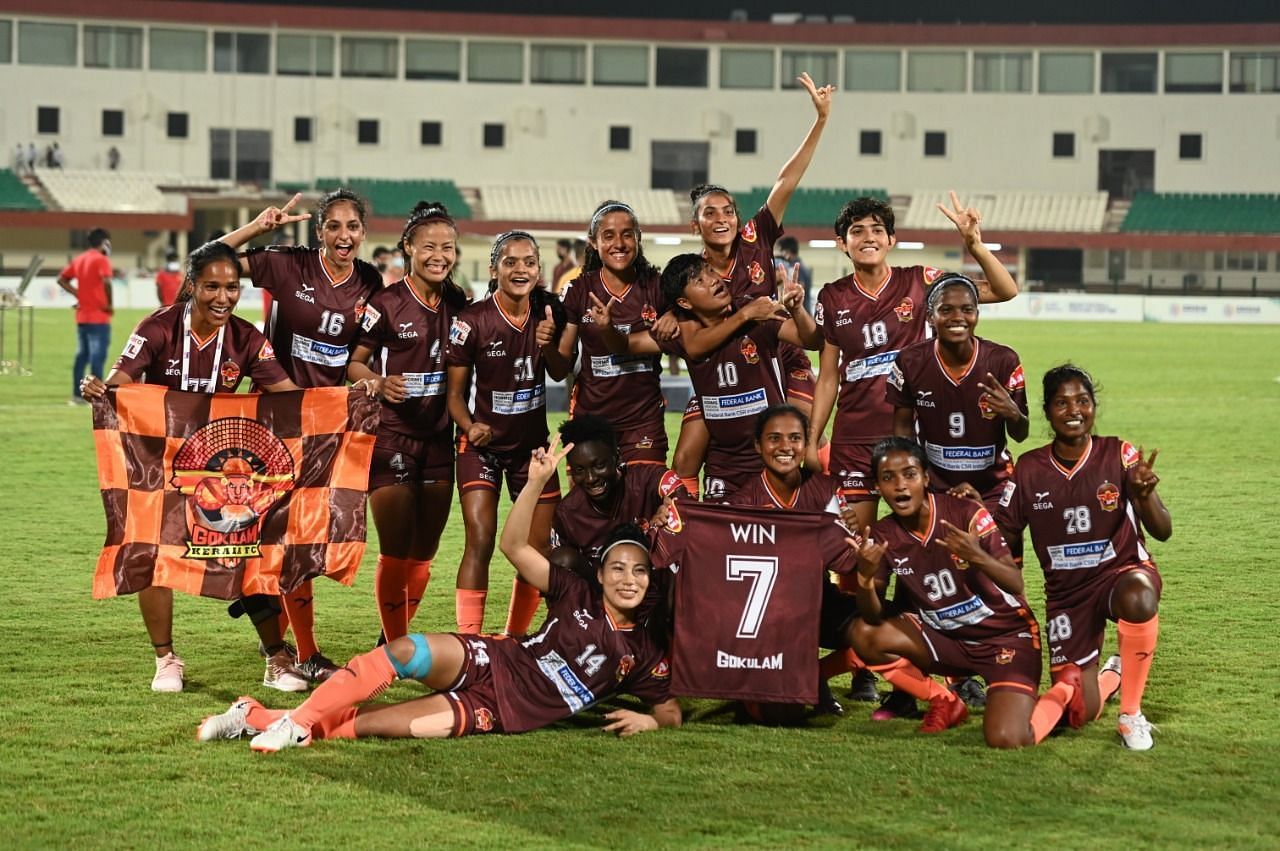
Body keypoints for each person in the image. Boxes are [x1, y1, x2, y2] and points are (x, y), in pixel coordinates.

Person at [198, 437, 680, 750]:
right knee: (405, 651)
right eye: (617, 568)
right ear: (600, 575)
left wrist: (652, 723)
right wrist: (534, 483)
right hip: (498, 660)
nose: (628, 579)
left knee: (374, 724)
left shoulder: (642, 650)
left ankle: (258, 716)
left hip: (500, 710)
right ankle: (295, 723)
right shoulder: (576, 591)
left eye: (638, 572)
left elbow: (669, 710)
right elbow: (513, 546)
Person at [80, 241, 303, 693]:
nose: (223, 297)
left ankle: (276, 657)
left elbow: (289, 396)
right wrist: (99, 390)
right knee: (154, 553)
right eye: (212, 287)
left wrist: (348, 403)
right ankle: (166, 659)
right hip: (157, 466)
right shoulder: (158, 327)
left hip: (218, 467)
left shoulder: (247, 339)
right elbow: (120, 385)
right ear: (192, 287)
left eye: (231, 288)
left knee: (246, 548)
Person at [220, 189, 383, 683]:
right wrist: (255, 228)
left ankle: (271, 617)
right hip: (274, 420)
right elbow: (207, 266)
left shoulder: (370, 282)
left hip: (327, 426)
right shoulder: (289, 266)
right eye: (333, 226)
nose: (344, 235)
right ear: (319, 232)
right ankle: (294, 649)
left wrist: (367, 378)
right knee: (275, 538)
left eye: (352, 226)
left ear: (362, 232)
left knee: (303, 539)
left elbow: (362, 353)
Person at [849, 438, 1086, 748]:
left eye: (909, 474)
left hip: (1004, 639)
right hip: (946, 641)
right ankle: (945, 701)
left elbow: (1015, 583)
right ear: (878, 486)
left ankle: (1065, 690)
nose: (900, 486)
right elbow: (872, 615)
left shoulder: (965, 513)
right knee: (863, 633)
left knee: (1007, 738)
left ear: (926, 478)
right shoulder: (883, 534)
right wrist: (865, 580)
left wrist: (977, 556)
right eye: (888, 478)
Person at [806, 193, 1019, 533]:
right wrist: (813, 438)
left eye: (877, 230)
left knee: (925, 536)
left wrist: (975, 245)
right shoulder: (832, 296)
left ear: (891, 239)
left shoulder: (921, 281)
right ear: (842, 244)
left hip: (913, 435)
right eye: (857, 231)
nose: (868, 238)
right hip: (854, 439)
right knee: (854, 543)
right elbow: (828, 376)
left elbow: (1004, 290)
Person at [668, 72, 834, 493]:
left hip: (781, 356)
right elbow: (675, 319)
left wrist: (820, 120)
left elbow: (785, 181)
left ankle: (819, 519)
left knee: (805, 451)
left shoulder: (755, 236)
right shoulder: (690, 274)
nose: (721, 218)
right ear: (695, 224)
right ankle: (687, 532)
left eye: (728, 210)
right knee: (685, 459)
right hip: (723, 372)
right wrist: (666, 317)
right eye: (710, 212)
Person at [993, 365, 1171, 750]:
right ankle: (1112, 674)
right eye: (1062, 402)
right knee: (1079, 709)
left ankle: (1131, 715)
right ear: (1047, 410)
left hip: (1118, 573)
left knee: (1139, 597)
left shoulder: (1118, 454)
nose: (1074, 410)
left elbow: (1162, 530)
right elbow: (1006, 535)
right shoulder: (1028, 469)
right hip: (1067, 596)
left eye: (1083, 401)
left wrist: (1143, 495)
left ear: (1093, 406)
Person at [591, 253, 820, 501]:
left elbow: (811, 340)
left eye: (710, 271)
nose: (712, 280)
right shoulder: (684, 333)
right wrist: (606, 329)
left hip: (770, 456)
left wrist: (797, 310)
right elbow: (626, 345)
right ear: (685, 303)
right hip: (725, 466)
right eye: (699, 280)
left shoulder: (756, 312)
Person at [347, 203, 470, 643]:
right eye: (429, 247)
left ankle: (389, 640)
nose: (440, 256)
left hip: (439, 440)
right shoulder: (386, 302)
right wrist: (378, 383)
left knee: (425, 551)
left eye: (448, 248)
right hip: (393, 438)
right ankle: (396, 645)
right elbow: (354, 364)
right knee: (396, 552)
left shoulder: (458, 302)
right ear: (408, 249)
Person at [445, 231, 568, 635]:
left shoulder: (550, 314)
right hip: (481, 448)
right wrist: (470, 426)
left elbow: (559, 372)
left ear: (539, 269)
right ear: (494, 267)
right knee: (480, 540)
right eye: (511, 262)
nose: (521, 269)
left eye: (529, 262)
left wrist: (549, 343)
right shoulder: (471, 321)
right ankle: (469, 642)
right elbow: (455, 396)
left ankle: (516, 639)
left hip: (531, 450)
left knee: (538, 548)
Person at [726, 405, 877, 710]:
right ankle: (764, 681)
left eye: (795, 438)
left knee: (885, 630)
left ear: (806, 445)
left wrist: (851, 535)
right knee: (782, 712)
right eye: (774, 438)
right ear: (757, 445)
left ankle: (815, 673)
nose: (785, 447)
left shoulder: (825, 491)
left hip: (816, 603)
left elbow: (846, 559)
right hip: (766, 620)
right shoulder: (741, 503)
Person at [887, 273, 1029, 507]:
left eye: (966, 309)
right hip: (935, 486)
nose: (957, 317)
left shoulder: (1003, 360)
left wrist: (1013, 414)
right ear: (930, 317)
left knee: (1000, 543)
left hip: (994, 486)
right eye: (946, 310)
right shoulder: (910, 361)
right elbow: (902, 428)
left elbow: (1021, 434)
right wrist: (913, 477)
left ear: (977, 314)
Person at [555, 201, 669, 463]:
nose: (619, 243)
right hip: (591, 419)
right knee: (590, 502)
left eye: (627, 234)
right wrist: (547, 344)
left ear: (638, 238)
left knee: (642, 499)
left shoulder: (657, 288)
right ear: (593, 242)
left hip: (644, 420)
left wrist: (673, 314)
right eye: (608, 236)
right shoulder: (577, 290)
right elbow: (560, 368)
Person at [549, 413, 687, 575]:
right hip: (601, 593)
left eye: (599, 465)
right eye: (579, 470)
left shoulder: (648, 479)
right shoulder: (567, 514)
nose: (591, 478)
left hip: (654, 586)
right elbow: (556, 573)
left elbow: (681, 497)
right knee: (560, 562)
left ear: (617, 457)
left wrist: (666, 517)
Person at [58, 227, 114, 406]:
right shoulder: (101, 259)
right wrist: (110, 304)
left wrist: (78, 294)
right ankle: (97, 397)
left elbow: (62, 279)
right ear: (105, 242)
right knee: (98, 357)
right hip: (99, 316)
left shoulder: (80, 259)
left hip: (82, 317)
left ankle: (76, 395)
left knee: (82, 356)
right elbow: (107, 283)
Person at [774, 236, 812, 314]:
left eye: (781, 251)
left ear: (787, 251)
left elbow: (797, 291)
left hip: (799, 314)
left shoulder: (795, 268)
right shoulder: (802, 266)